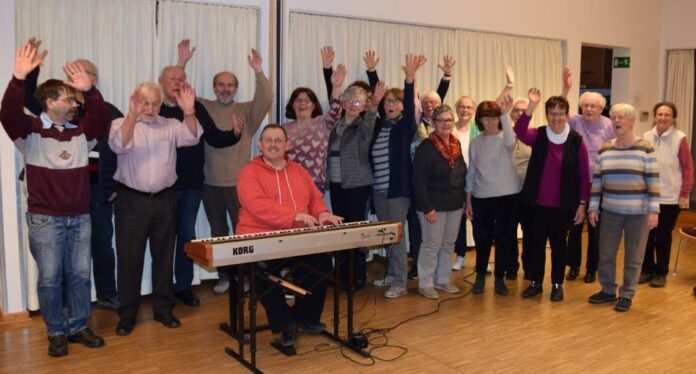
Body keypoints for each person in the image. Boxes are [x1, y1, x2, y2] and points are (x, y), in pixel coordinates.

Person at [0, 43, 107, 356]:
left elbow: (99, 121)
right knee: (49, 279)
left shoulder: (81, 133)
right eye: (67, 96)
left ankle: (78, 326)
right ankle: (56, 331)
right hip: (45, 219)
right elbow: (7, 114)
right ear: (49, 102)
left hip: (80, 217)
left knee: (79, 275)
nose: (74, 102)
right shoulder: (29, 131)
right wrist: (19, 78)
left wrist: (92, 91)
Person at [22, 39, 123, 310]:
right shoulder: (57, 109)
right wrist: (30, 72)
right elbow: (27, 99)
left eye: (85, 73)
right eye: (73, 74)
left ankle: (106, 293)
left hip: (98, 188)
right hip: (61, 190)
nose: (77, 78)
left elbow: (120, 148)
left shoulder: (106, 110)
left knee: (102, 244)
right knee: (62, 250)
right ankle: (65, 302)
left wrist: (114, 182)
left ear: (94, 80)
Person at [177, 40, 273, 295]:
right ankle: (225, 276)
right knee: (219, 234)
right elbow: (179, 94)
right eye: (221, 84)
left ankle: (247, 275)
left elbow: (266, 98)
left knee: (245, 234)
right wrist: (182, 63)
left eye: (230, 85)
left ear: (236, 88)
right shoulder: (204, 107)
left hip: (241, 185)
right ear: (214, 87)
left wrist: (258, 71)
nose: (225, 89)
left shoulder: (246, 111)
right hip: (210, 185)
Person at [236, 124, 343, 349]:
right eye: (268, 140)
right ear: (260, 145)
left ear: (288, 145)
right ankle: (285, 324)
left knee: (321, 262)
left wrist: (322, 213)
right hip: (259, 237)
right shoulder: (249, 172)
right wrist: (296, 216)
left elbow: (314, 198)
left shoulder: (298, 170)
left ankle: (305, 317)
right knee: (262, 275)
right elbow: (257, 206)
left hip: (296, 238)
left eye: (278, 141)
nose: (273, 145)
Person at [109, 81, 203, 336]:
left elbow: (193, 137)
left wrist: (189, 111)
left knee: (164, 256)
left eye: (154, 103)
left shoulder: (171, 125)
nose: (149, 108)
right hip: (131, 201)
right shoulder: (121, 123)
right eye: (144, 102)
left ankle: (163, 309)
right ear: (135, 101)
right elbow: (120, 146)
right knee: (129, 259)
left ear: (161, 104)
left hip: (164, 199)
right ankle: (128, 313)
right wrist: (131, 114)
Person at [514, 88, 590, 302]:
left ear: (567, 115)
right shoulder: (538, 134)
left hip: (563, 206)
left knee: (559, 247)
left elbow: (584, 174)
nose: (556, 117)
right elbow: (519, 130)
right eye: (552, 113)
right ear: (546, 115)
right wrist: (531, 105)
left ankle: (557, 284)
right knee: (536, 246)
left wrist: (582, 203)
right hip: (536, 205)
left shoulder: (576, 140)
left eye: (560, 113)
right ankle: (536, 283)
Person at [588, 103, 660, 312]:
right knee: (606, 253)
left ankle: (627, 294)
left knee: (633, 257)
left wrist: (653, 211)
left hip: (638, 213)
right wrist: (593, 207)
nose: (616, 121)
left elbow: (653, 181)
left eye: (621, 117)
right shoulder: (606, 148)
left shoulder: (644, 147)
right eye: (614, 117)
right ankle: (608, 290)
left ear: (631, 121)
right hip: (610, 211)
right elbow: (598, 181)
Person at [369, 54, 420, 298]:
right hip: (379, 190)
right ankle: (391, 273)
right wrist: (372, 74)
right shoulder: (380, 126)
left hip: (397, 190)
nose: (390, 105)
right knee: (386, 234)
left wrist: (409, 79)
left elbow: (410, 107)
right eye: (388, 101)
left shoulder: (405, 126)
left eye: (395, 101)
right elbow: (378, 100)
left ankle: (400, 280)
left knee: (397, 235)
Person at [328, 76, 385, 290]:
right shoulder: (336, 127)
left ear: (363, 107)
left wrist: (376, 103)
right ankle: (343, 274)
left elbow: (371, 119)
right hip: (336, 185)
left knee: (355, 231)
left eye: (357, 102)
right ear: (343, 103)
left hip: (357, 185)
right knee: (341, 231)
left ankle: (357, 276)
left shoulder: (364, 126)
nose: (353, 105)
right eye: (349, 100)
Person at [561, 68, 615, 283]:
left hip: (600, 184)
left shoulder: (609, 126)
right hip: (577, 183)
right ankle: (573, 266)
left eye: (594, 106)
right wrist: (566, 89)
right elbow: (560, 111)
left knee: (595, 229)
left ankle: (592, 268)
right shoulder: (575, 121)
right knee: (574, 227)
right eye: (585, 105)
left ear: (602, 108)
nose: (589, 109)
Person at [466, 96, 520, 296]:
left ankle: (499, 278)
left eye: (494, 117)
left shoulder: (506, 138)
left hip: (507, 196)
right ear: (479, 120)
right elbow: (471, 172)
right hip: (481, 197)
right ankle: (480, 275)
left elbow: (510, 143)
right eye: (485, 118)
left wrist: (506, 113)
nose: (490, 122)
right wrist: (468, 200)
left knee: (504, 238)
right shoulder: (475, 143)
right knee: (482, 239)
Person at [413, 105, 467, 300]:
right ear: (434, 123)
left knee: (447, 244)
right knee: (431, 244)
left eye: (449, 120)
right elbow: (418, 180)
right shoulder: (426, 147)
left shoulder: (456, 144)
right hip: (432, 207)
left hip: (454, 204)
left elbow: (461, 172)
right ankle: (425, 283)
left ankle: (442, 280)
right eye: (441, 120)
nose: (446, 124)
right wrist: (428, 207)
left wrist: (463, 201)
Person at [640, 102, 694, 287]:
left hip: (670, 196)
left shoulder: (680, 138)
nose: (663, 118)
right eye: (660, 114)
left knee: (663, 236)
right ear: (655, 116)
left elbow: (688, 168)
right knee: (646, 236)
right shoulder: (646, 137)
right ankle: (646, 270)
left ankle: (661, 272)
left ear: (674, 118)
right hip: (648, 195)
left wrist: (684, 193)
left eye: (667, 115)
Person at [283, 64, 345, 191]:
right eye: (298, 100)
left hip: (314, 183)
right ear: (292, 105)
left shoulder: (322, 123)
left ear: (313, 105)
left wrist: (336, 87)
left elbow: (335, 111)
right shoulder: (284, 129)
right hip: (288, 182)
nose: (302, 104)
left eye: (307, 100)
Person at [451, 95, 480, 271]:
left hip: (477, 181)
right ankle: (460, 255)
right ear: (456, 109)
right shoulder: (450, 128)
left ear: (473, 110)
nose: (465, 110)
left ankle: (481, 259)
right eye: (461, 106)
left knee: (479, 221)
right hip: (456, 182)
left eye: (469, 107)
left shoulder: (479, 129)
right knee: (459, 222)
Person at [510, 97, 532, 279]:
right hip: (507, 193)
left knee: (530, 232)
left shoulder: (534, 135)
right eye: (516, 110)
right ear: (511, 113)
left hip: (529, 193)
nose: (519, 114)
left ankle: (529, 267)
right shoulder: (503, 134)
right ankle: (511, 267)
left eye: (523, 111)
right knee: (508, 231)